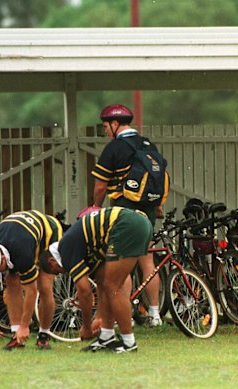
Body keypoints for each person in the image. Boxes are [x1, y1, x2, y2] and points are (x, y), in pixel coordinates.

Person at [39, 206, 152, 353]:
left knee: (113, 287)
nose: (63, 273)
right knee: (106, 285)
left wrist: (86, 326)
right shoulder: (80, 247)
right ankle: (107, 337)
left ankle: (129, 343)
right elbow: (99, 284)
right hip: (136, 222)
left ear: (52, 261)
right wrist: (99, 317)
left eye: (57, 272)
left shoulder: (65, 249)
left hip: (125, 224)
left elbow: (85, 292)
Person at [91, 104, 164, 326]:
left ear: (115, 125)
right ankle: (155, 314)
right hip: (148, 210)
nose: (105, 130)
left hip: (124, 209)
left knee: (122, 263)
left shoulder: (114, 148)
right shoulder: (147, 144)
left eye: (106, 126)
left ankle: (126, 315)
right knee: (147, 260)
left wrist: (95, 207)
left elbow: (101, 186)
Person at [0, 210, 62, 350]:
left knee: (44, 285)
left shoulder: (22, 253)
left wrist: (25, 326)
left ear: (3, 259)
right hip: (16, 233)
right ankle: (16, 335)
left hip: (47, 232)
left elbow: (31, 291)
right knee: (11, 280)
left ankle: (43, 336)